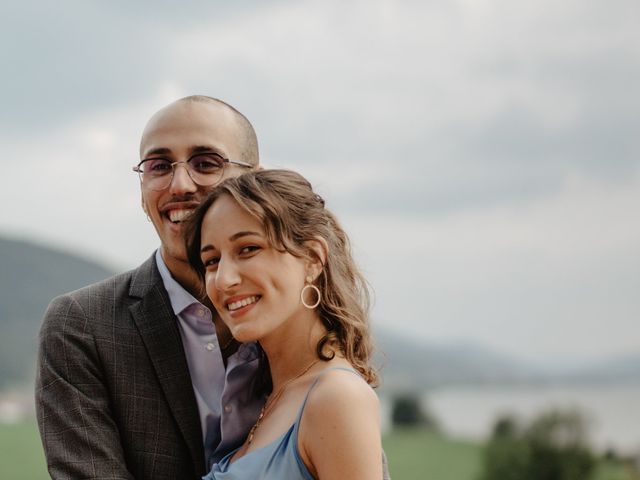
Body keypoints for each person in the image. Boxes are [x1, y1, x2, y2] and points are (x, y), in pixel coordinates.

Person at [35, 95, 264, 479]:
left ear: (255, 179)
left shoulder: (298, 313)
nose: (180, 185)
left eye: (206, 163)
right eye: (158, 166)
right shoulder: (82, 326)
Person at [185, 169, 383, 479]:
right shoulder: (261, 397)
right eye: (212, 261)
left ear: (313, 259)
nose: (224, 280)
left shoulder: (337, 397)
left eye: (248, 249)